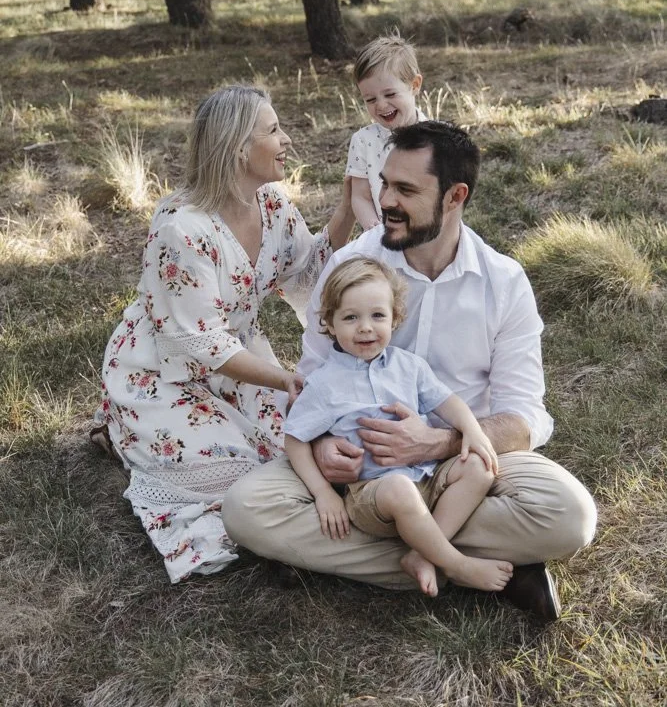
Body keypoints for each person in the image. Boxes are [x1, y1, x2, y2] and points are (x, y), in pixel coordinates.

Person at [224, 120, 598, 619]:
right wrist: (320, 446)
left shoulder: (504, 282)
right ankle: (483, 562)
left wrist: (438, 442)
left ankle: (411, 555)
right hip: (362, 473)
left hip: (463, 463)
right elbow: (312, 381)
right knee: (245, 509)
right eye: (383, 183)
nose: (384, 202)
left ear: (454, 196)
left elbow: (524, 416)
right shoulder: (350, 267)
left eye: (405, 189)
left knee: (571, 516)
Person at [93, 85, 355, 582]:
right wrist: (283, 380)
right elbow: (201, 344)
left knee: (296, 447)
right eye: (273, 130)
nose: (287, 141)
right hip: (164, 370)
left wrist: (346, 204)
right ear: (239, 147)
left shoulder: (272, 204)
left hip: (241, 358)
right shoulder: (181, 228)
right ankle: (122, 429)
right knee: (237, 471)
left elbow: (309, 273)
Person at [283, 257, 514, 596]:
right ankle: (456, 563)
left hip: (426, 476)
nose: (365, 327)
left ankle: (422, 555)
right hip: (374, 494)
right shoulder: (325, 383)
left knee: (479, 466)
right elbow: (294, 440)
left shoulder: (409, 367)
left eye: (378, 316)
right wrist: (322, 494)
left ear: (395, 319)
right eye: (350, 317)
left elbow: (447, 402)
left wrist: (473, 431)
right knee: (398, 489)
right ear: (330, 324)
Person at [346, 33, 426, 230]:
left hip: (429, 233)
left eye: (390, 94)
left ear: (414, 85)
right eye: (370, 99)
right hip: (386, 234)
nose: (381, 105)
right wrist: (374, 230)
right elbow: (360, 196)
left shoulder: (438, 136)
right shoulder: (363, 141)